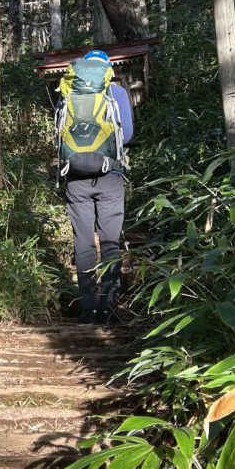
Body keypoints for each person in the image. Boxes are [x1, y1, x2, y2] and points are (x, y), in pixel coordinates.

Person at [57, 49, 134, 324]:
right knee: (110, 241)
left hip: (75, 176)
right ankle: (109, 307)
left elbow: (60, 133)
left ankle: (88, 308)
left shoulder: (68, 92)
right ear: (107, 70)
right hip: (110, 175)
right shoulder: (117, 92)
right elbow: (128, 135)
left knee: (84, 243)